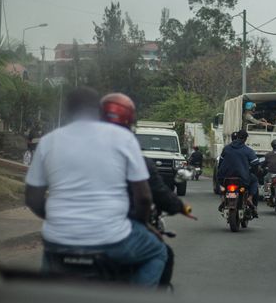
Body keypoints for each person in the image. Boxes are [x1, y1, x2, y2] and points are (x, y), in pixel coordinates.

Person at [25, 87, 167, 287]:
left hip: (58, 241)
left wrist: (62, 218)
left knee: (48, 287)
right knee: (158, 251)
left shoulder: (48, 142)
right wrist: (143, 225)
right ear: (100, 111)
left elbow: (32, 199)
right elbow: (143, 198)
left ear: (67, 111)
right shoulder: (123, 138)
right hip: (112, 239)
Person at [100, 92, 194, 287]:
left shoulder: (77, 149)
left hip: (63, 237)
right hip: (114, 229)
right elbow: (149, 196)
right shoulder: (132, 156)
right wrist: (178, 207)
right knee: (162, 252)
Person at [216, 129, 260, 217]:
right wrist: (255, 171)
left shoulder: (226, 148)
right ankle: (250, 198)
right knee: (254, 180)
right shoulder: (248, 150)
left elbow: (220, 163)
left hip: (226, 178)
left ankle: (223, 198)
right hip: (242, 178)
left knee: (220, 184)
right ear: (245, 139)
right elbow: (255, 163)